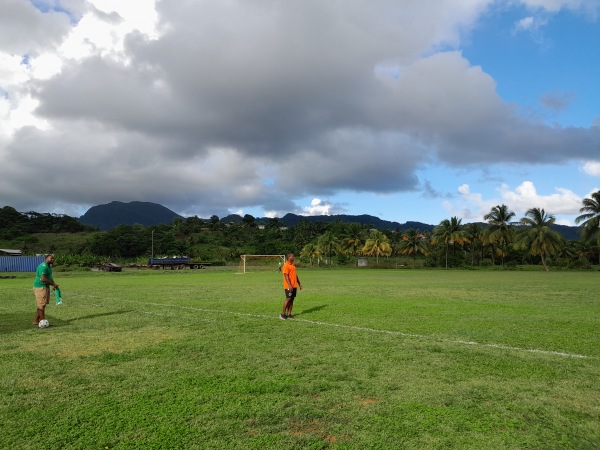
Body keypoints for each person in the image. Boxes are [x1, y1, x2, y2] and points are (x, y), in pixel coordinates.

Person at [32, 254, 59, 326]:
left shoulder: (49, 266)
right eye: (51, 258)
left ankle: (36, 321)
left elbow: (49, 277)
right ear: (46, 258)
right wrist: (53, 285)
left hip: (45, 287)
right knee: (41, 305)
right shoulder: (43, 267)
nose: (52, 260)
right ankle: (43, 323)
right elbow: (43, 279)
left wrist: (54, 284)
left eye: (53, 259)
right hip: (40, 287)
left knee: (42, 305)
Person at [280, 253, 302, 320]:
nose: (294, 257)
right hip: (288, 286)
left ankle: (289, 314)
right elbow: (286, 276)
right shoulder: (286, 265)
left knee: (292, 299)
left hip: (294, 286)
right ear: (289, 257)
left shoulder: (293, 265)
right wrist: (289, 285)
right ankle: (283, 314)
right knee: (288, 298)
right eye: (293, 256)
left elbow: (295, 275)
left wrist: (299, 284)